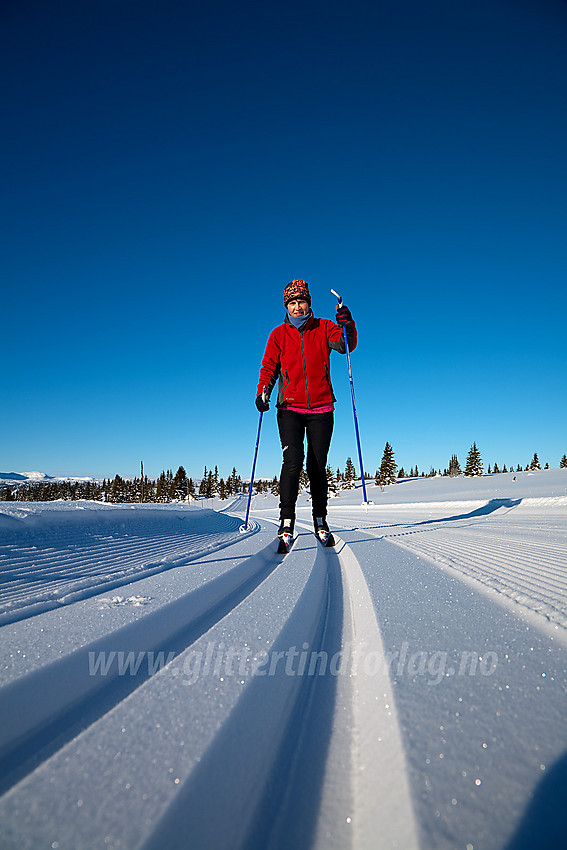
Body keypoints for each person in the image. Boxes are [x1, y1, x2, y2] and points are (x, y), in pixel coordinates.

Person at [255, 279, 356, 544]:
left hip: (322, 408)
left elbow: (346, 344)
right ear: (286, 306)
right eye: (292, 303)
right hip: (289, 407)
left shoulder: (324, 327)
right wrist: (263, 390)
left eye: (301, 302)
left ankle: (320, 519)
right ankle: (286, 520)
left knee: (317, 465)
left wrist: (346, 322)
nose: (297, 307)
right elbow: (269, 367)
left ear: (309, 303)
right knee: (292, 463)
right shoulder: (278, 334)